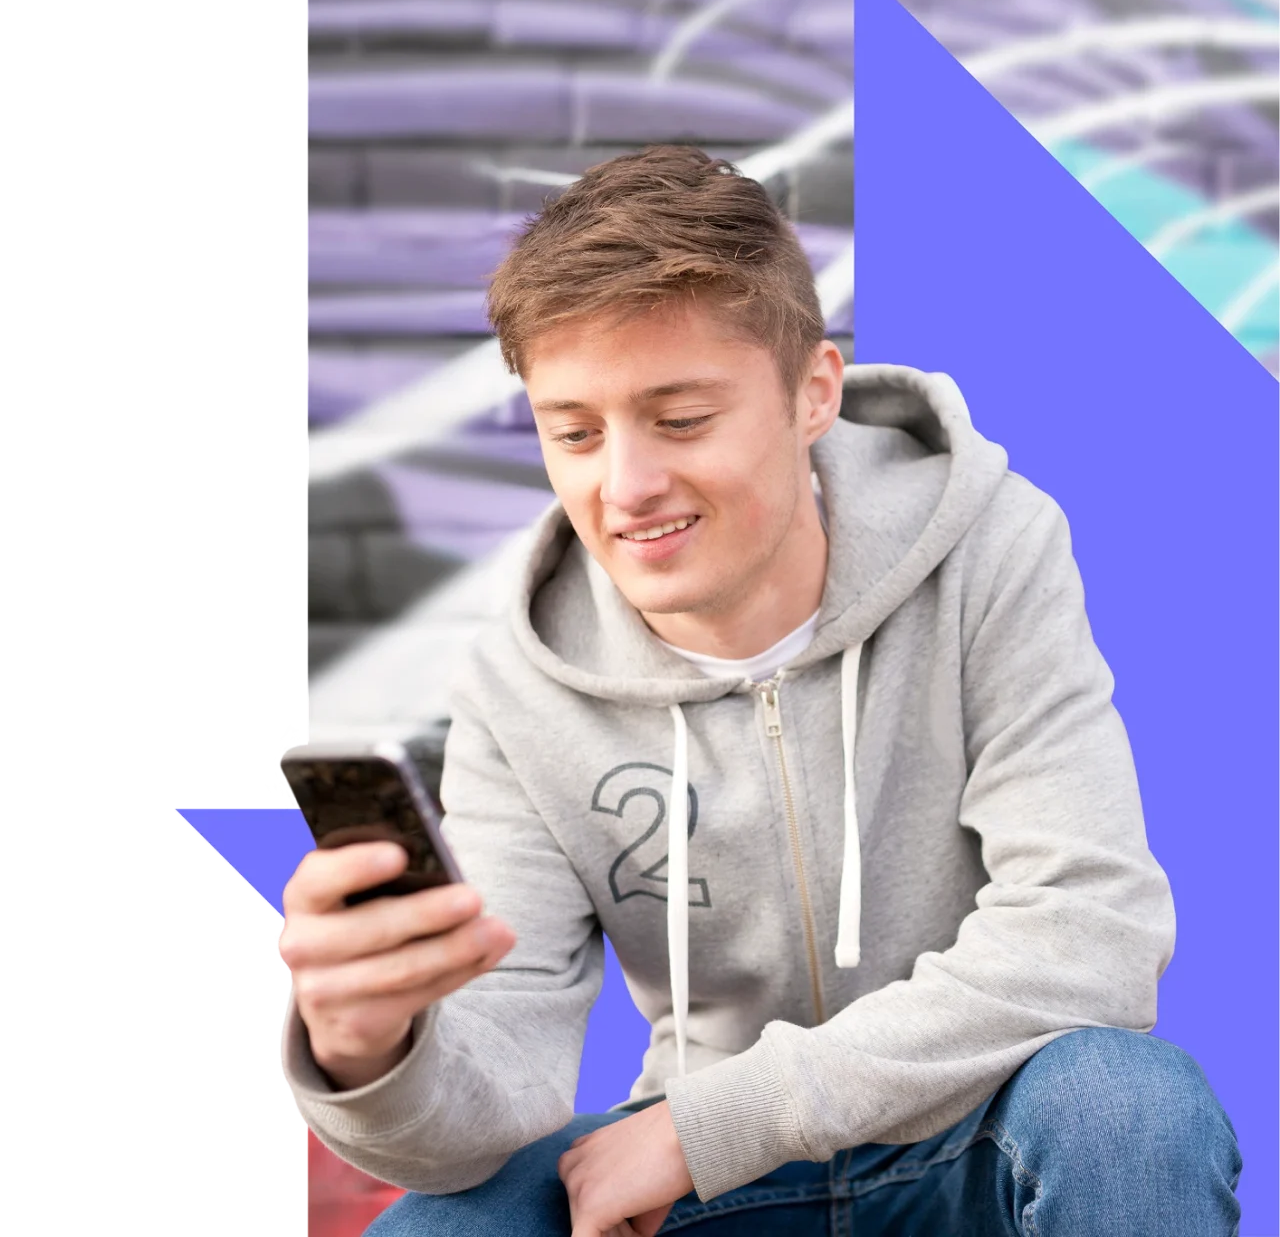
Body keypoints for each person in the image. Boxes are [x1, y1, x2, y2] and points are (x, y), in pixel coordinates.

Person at [280, 146, 1241, 1236]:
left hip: (966, 1136)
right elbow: (495, 1086)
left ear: (811, 392)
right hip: (695, 1193)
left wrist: (715, 1119)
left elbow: (1089, 934)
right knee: (434, 1225)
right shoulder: (518, 678)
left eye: (680, 418)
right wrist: (372, 1050)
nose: (626, 486)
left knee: (1127, 1106)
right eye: (574, 432)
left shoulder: (992, 548)